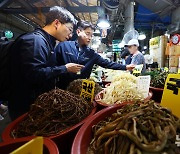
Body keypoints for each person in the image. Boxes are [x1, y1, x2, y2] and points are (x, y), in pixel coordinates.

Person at [8, 6, 83, 120]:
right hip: (26, 109)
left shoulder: (47, 42)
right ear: (57, 23)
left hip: (37, 105)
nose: (71, 35)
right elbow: (34, 74)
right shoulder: (35, 41)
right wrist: (64, 68)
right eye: (70, 29)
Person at [55, 21, 135, 89]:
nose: (90, 38)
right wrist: (64, 69)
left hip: (83, 89)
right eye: (87, 33)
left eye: (91, 35)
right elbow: (53, 66)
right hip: (63, 89)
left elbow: (107, 64)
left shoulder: (91, 54)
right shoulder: (63, 46)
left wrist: (125, 67)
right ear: (78, 32)